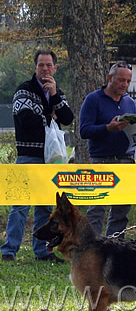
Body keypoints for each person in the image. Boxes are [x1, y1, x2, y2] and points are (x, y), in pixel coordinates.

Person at [1, 49, 74, 263]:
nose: (45, 69)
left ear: (55, 68)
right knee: (20, 205)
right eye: (41, 65)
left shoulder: (56, 92)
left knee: (45, 206)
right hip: (28, 156)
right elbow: (26, 120)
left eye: (49, 65)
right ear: (35, 68)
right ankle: (9, 250)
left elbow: (68, 118)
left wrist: (54, 97)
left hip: (51, 160)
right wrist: (49, 116)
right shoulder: (24, 90)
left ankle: (42, 251)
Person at [79, 61, 136, 238]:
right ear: (110, 78)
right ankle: (91, 249)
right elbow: (84, 130)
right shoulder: (93, 99)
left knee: (122, 209)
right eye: (120, 80)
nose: (124, 85)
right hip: (102, 160)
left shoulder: (129, 102)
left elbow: (131, 129)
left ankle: (114, 247)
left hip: (126, 159)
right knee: (97, 208)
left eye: (128, 81)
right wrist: (107, 128)